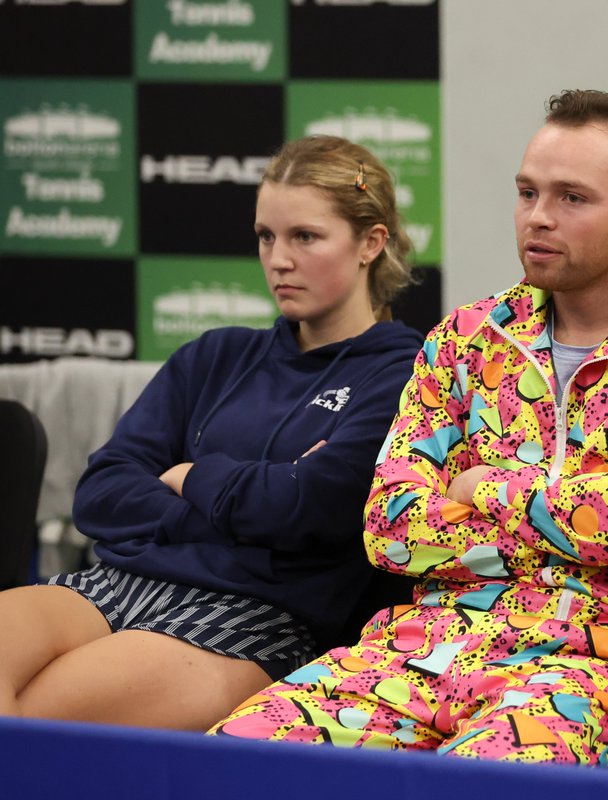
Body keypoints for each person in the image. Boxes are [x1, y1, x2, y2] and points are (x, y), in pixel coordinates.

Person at [211, 89, 608, 765]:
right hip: (436, 639)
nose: (538, 218)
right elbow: (390, 527)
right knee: (238, 755)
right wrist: (582, 499)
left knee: (479, 779)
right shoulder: (468, 337)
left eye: (572, 198)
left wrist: (481, 485)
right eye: (527, 192)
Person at [0, 135, 425, 731]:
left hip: (260, 616)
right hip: (119, 581)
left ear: (370, 243)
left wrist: (190, 476)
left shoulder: (409, 371)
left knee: (33, 728)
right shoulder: (216, 354)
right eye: (266, 236)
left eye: (305, 236)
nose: (279, 259)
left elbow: (312, 509)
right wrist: (233, 516)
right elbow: (101, 489)